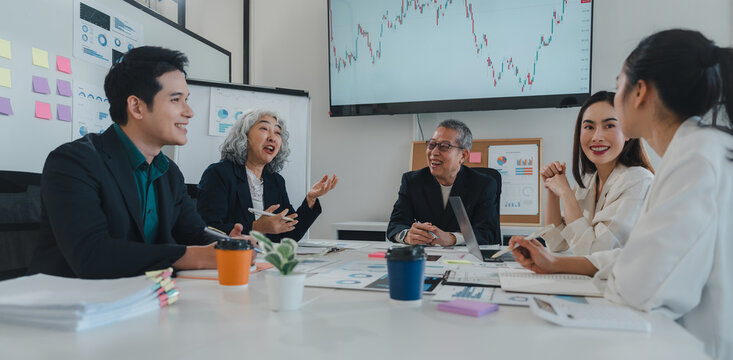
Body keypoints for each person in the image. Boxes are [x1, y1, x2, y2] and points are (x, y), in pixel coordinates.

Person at [509, 29, 733, 359]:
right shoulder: (697, 149)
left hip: (690, 345)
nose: (598, 133)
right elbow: (638, 257)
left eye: (618, 86)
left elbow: (641, 285)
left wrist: (594, 270)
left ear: (639, 91)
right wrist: (557, 261)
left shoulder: (693, 160)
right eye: (588, 126)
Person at [27, 46, 250, 279]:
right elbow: (91, 255)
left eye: (187, 100)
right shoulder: (74, 162)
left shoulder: (168, 172)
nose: (189, 112)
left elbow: (194, 234)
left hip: (141, 298)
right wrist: (197, 256)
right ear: (136, 107)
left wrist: (230, 245)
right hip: (71, 305)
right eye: (176, 100)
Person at [197, 109, 337, 242]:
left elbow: (290, 233)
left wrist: (311, 199)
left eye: (277, 132)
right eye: (264, 129)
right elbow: (208, 230)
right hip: (232, 260)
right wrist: (256, 227)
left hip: (266, 261)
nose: (272, 137)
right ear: (244, 135)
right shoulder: (219, 174)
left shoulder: (275, 181)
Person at [540, 91, 654, 255]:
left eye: (609, 126)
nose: (597, 137)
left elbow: (594, 251)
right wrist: (552, 188)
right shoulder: (588, 180)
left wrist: (566, 193)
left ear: (628, 132)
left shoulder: (638, 180)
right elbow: (556, 243)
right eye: (589, 127)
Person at [387, 119, 499, 247]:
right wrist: (407, 235)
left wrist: (452, 238)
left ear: (463, 155)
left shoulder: (483, 184)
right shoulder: (413, 181)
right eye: (431, 144)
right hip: (425, 258)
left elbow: (487, 233)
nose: (434, 152)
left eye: (444, 146)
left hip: (465, 260)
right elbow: (395, 225)